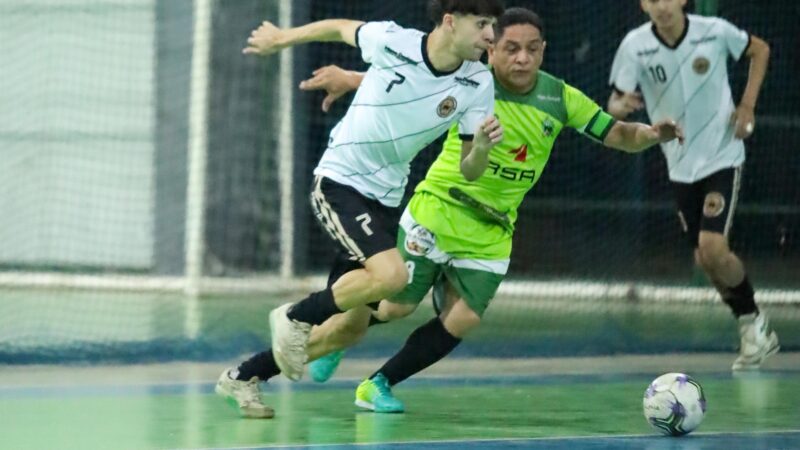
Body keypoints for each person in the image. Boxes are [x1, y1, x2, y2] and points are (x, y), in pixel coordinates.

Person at [301, 7, 684, 413]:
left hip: (494, 230)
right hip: (440, 210)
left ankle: (378, 384)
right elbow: (415, 83)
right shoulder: (471, 82)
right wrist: (351, 78)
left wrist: (650, 135)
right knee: (397, 306)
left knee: (464, 318)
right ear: (490, 49)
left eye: (532, 49)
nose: (522, 58)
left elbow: (619, 133)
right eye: (511, 48)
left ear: (543, 51)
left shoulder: (559, 97)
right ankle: (336, 333)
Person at [215, 0, 505, 418]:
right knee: (392, 276)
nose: (490, 36)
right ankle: (294, 315)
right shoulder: (394, 41)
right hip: (341, 180)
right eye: (482, 24)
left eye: (492, 25)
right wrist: (283, 38)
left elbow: (470, 169)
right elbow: (339, 27)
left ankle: (243, 376)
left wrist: (480, 147)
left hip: (385, 198)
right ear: (449, 22)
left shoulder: (477, 81)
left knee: (348, 329)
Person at [607, 0, 777, 371]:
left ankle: (753, 323)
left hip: (722, 154)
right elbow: (615, 104)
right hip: (679, 164)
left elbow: (759, 49)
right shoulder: (635, 45)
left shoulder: (713, 31)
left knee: (712, 247)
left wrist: (747, 106)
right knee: (703, 258)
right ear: (643, 5)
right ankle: (751, 324)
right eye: (652, 0)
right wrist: (623, 108)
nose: (661, 6)